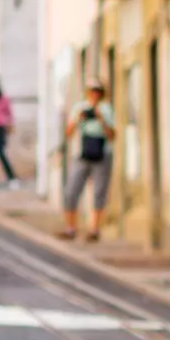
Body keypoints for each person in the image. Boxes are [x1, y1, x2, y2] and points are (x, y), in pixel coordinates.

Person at [62, 82, 115, 241]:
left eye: (98, 91)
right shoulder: (79, 108)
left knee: (99, 192)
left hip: (102, 154)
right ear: (87, 92)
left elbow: (112, 135)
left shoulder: (106, 109)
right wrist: (79, 118)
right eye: (92, 91)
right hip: (81, 154)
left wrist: (101, 118)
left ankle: (94, 229)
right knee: (71, 191)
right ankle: (71, 227)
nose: (95, 94)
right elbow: (69, 132)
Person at [0, 76, 18, 186]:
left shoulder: (2, 98)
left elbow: (9, 113)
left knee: (1, 153)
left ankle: (12, 178)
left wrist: (10, 125)